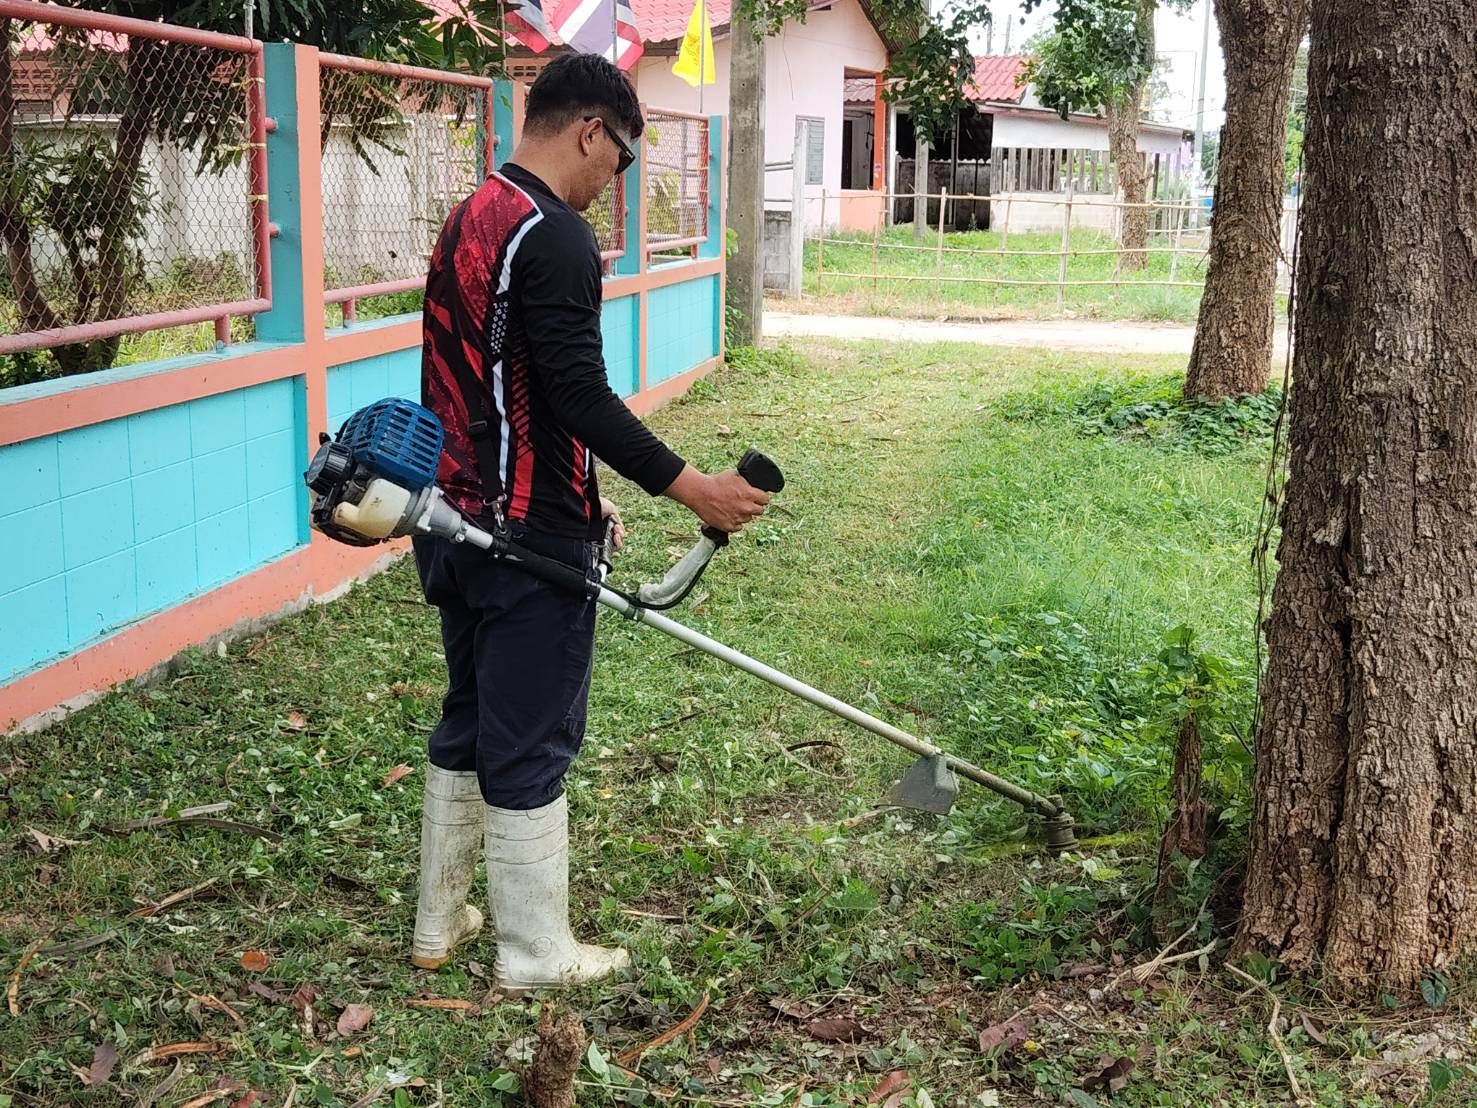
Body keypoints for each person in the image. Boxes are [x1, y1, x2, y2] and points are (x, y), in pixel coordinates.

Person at [409, 52, 770, 993]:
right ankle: (535, 953)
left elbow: (493, 384)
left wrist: (582, 487)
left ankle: (438, 922)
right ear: (589, 131)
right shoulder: (555, 233)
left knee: (469, 714)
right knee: (531, 735)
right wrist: (690, 487)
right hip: (527, 539)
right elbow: (576, 392)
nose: (617, 178)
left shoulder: (473, 215)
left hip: (447, 518)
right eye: (622, 157)